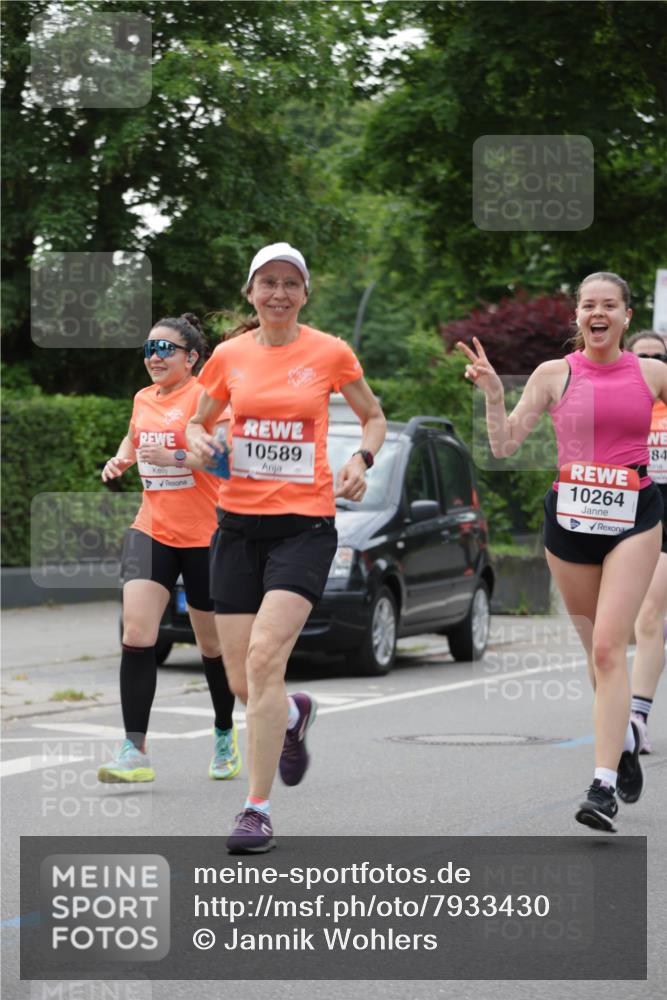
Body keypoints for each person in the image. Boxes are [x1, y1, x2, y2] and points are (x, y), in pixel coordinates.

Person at [187, 242, 386, 853]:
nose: (278, 293)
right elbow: (198, 420)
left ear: (304, 293)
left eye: (289, 284)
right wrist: (198, 441)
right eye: (267, 283)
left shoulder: (329, 352)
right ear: (251, 292)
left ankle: (256, 809)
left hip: (304, 525)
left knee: (267, 659)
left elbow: (373, 416)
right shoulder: (227, 356)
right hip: (237, 527)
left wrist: (361, 457)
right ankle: (293, 717)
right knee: (243, 674)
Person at [457, 272, 666, 832]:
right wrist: (496, 395)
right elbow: (504, 445)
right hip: (570, 520)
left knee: (607, 648)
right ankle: (621, 744)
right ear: (577, 316)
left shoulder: (653, 373)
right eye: (587, 305)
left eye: (609, 305)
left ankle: (601, 787)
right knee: (595, 655)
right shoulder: (554, 374)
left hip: (634, 516)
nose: (598, 313)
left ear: (626, 315)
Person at [98, 314, 240, 784]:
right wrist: (123, 456)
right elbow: (136, 437)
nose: (153, 358)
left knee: (211, 645)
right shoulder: (143, 398)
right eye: (148, 348)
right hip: (152, 528)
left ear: (192, 357)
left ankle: (223, 732)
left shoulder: (207, 398)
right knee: (137, 634)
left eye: (165, 350)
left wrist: (177, 455)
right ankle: (133, 750)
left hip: (206, 535)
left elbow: (225, 459)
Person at [627, 330, 667, 753]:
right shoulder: (621, 399)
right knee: (635, 621)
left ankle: (637, 717)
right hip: (629, 507)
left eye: (658, 356)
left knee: (648, 615)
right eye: (643, 356)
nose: (652, 361)